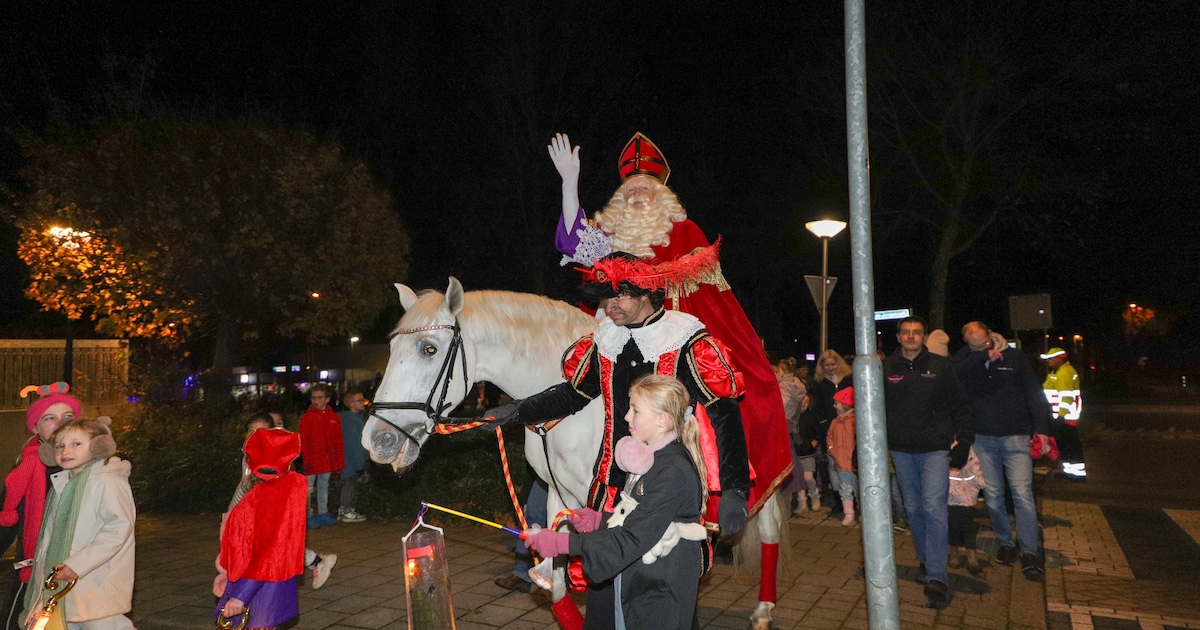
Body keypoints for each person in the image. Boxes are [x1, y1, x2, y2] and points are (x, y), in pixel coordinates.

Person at [486, 254, 751, 627]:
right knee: (604, 599)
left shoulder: (684, 340)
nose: (609, 307)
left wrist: (736, 489)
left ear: (645, 294)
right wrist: (517, 410)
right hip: (611, 486)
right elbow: (572, 395)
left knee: (658, 593)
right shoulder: (606, 341)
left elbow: (726, 414)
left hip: (663, 486)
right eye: (604, 298)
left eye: (618, 297)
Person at [548, 132, 792, 520]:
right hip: (610, 347)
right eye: (630, 188)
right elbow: (572, 242)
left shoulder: (685, 232)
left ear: (663, 195)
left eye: (646, 187)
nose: (637, 194)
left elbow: (709, 303)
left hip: (665, 352)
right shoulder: (607, 236)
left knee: (711, 411)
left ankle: (714, 487)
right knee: (554, 419)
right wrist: (569, 183)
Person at [522, 374, 707, 629]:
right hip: (644, 581)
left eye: (635, 410)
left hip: (659, 591)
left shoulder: (672, 471)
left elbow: (633, 537)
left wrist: (560, 543)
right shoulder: (653, 459)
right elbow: (645, 519)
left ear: (662, 420)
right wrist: (600, 520)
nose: (627, 417)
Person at [882, 316, 974, 610]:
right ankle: (926, 560)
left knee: (935, 508)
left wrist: (965, 441)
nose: (911, 337)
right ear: (898, 337)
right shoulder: (885, 368)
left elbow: (960, 405)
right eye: (906, 332)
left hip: (935, 449)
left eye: (916, 332)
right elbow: (873, 407)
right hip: (901, 450)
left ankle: (937, 576)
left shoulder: (941, 366)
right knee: (914, 510)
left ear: (923, 337)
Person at [955, 321, 1052, 579]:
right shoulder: (966, 358)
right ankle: (1006, 543)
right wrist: (981, 357)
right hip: (983, 439)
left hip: (1016, 438)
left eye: (983, 343)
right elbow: (954, 376)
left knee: (1022, 494)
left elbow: (1034, 392)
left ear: (990, 334)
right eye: (973, 345)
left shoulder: (1015, 357)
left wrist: (1041, 428)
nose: (980, 348)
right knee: (993, 495)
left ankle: (1030, 550)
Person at [21, 417, 135, 630]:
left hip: (95, 583)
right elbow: (49, 536)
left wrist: (78, 564)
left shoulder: (107, 481)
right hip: (63, 584)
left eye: (76, 444)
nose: (65, 451)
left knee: (104, 624)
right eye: (60, 446)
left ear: (98, 446)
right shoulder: (61, 485)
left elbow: (118, 529)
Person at [220, 414, 336, 592]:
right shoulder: (248, 454)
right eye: (251, 432)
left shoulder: (278, 456)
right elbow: (244, 485)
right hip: (252, 507)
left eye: (261, 431)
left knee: (276, 545)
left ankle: (314, 562)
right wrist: (232, 514)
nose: (255, 435)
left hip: (271, 508)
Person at [1, 383, 81, 627]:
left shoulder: (93, 467)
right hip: (35, 570)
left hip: (82, 568)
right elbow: (5, 520)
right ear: (35, 428)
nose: (61, 423)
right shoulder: (27, 468)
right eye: (50, 418)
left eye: (68, 417)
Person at [215, 428, 307, 630]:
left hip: (257, 591)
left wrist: (241, 596)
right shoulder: (283, 490)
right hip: (260, 586)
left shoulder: (269, 496)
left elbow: (268, 553)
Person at [774, 358, 816, 518]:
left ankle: (785, 510)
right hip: (789, 428)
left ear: (783, 373)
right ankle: (795, 504)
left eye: (777, 372)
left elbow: (781, 405)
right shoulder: (797, 385)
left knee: (784, 467)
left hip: (781, 427)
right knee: (791, 467)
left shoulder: (783, 386)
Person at [811, 349, 852, 512]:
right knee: (833, 465)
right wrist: (822, 426)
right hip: (830, 430)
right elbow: (817, 408)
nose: (830, 368)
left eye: (833, 364)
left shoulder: (848, 378)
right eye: (826, 365)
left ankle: (853, 498)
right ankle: (839, 499)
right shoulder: (819, 383)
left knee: (851, 465)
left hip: (849, 427)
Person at [298, 384, 343, 528]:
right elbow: (303, 440)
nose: (316, 400)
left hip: (326, 461)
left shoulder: (334, 417)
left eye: (320, 397)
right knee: (309, 489)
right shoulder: (307, 418)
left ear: (327, 399)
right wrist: (306, 459)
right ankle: (308, 515)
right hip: (312, 461)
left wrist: (337, 461)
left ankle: (323, 513)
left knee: (324, 487)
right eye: (313, 397)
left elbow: (338, 441)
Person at [1041, 347, 1086, 480]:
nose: (1048, 361)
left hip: (1065, 416)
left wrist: (1061, 416)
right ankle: (1071, 472)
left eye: (1051, 358)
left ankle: (1076, 474)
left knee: (1069, 444)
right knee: (1067, 443)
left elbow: (1066, 397)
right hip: (1065, 415)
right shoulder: (1060, 371)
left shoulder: (1064, 373)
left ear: (1059, 358)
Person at [947, 447, 985, 576]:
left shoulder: (969, 451)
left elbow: (976, 471)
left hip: (967, 498)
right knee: (953, 526)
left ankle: (972, 557)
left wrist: (976, 479)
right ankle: (953, 554)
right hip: (950, 498)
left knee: (968, 528)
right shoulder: (944, 448)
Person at [827, 387, 858, 527]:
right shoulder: (835, 422)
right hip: (841, 461)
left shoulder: (856, 421)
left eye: (837, 403)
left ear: (845, 404)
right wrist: (832, 450)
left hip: (855, 463)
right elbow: (830, 438)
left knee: (858, 489)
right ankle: (848, 513)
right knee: (845, 488)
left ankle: (862, 512)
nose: (834, 406)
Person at [336, 389, 369, 523]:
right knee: (350, 484)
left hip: (350, 458)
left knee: (350, 484)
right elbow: (353, 442)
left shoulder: (353, 418)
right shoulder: (350, 420)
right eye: (359, 400)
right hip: (350, 459)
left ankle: (345, 509)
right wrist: (359, 462)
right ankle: (346, 510)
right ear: (350, 403)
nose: (363, 402)